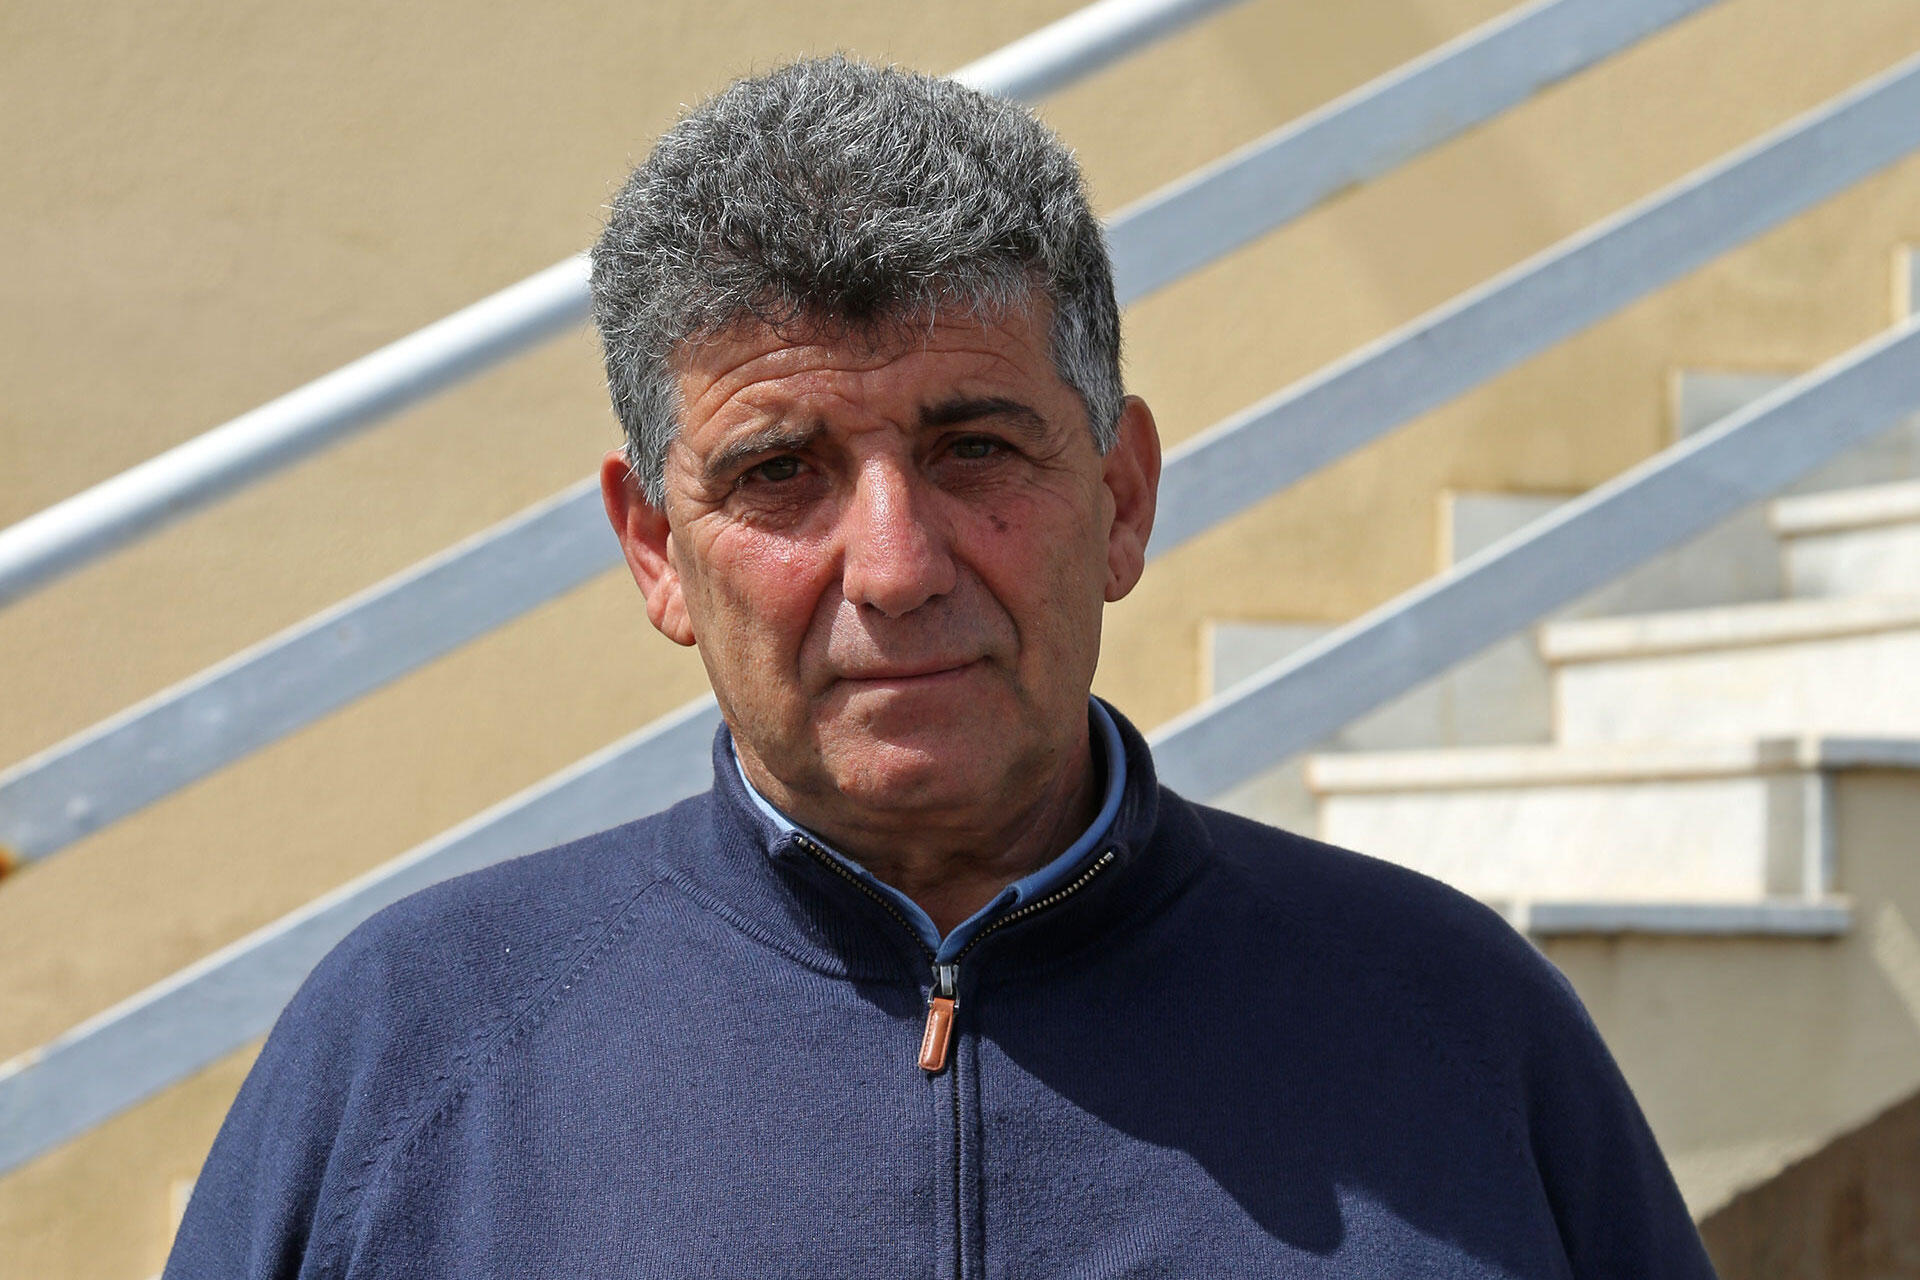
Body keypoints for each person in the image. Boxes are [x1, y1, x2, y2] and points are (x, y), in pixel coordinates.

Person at [166, 57, 1717, 1278]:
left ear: (1120, 496)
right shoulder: (419, 1052)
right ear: (656, 552)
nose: (895, 566)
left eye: (975, 448)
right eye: (780, 473)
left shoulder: (1454, 1031)